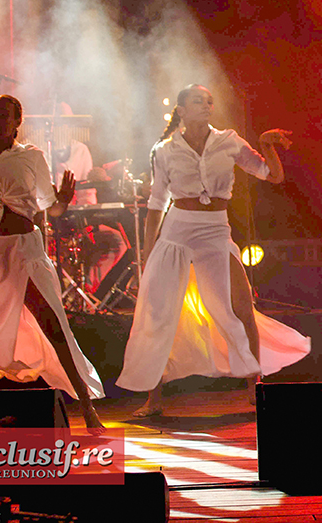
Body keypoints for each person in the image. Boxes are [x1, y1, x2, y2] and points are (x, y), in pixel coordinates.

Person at [117, 84, 310, 416]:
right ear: (181, 110)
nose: (207, 105)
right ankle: (154, 399)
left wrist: (266, 145)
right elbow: (155, 207)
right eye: (197, 101)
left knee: (241, 306)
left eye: (209, 100)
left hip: (215, 231)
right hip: (177, 230)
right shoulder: (164, 150)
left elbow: (272, 175)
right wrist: (147, 257)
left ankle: (256, 387)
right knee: (160, 313)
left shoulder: (229, 141)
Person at [0, 95, 105, 431]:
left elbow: (50, 208)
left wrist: (62, 200)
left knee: (53, 325)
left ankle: (87, 408)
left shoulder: (31, 157)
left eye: (3, 116)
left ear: (18, 122)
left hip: (23, 254)